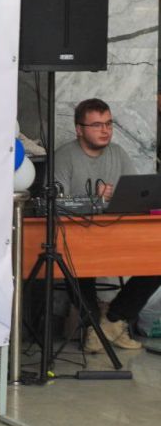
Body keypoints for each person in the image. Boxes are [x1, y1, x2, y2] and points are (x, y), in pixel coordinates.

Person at [55, 98, 159, 352]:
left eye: (109, 124)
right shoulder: (65, 156)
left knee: (157, 259)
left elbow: (137, 195)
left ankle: (112, 321)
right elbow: (57, 203)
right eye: (97, 125)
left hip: (117, 233)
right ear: (79, 129)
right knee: (74, 261)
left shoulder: (118, 153)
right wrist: (95, 198)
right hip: (78, 235)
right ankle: (95, 327)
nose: (105, 130)